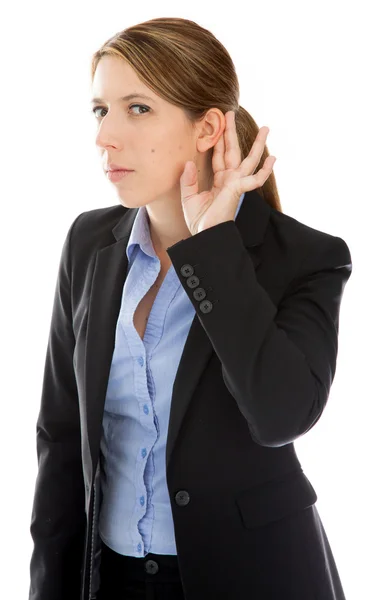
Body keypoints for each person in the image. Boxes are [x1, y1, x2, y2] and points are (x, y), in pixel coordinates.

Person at [28, 16, 352, 600]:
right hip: (113, 580)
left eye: (138, 108)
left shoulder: (304, 258)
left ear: (207, 128)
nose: (106, 136)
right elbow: (60, 434)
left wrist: (213, 246)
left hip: (253, 578)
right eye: (101, 111)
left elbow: (281, 415)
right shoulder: (89, 244)